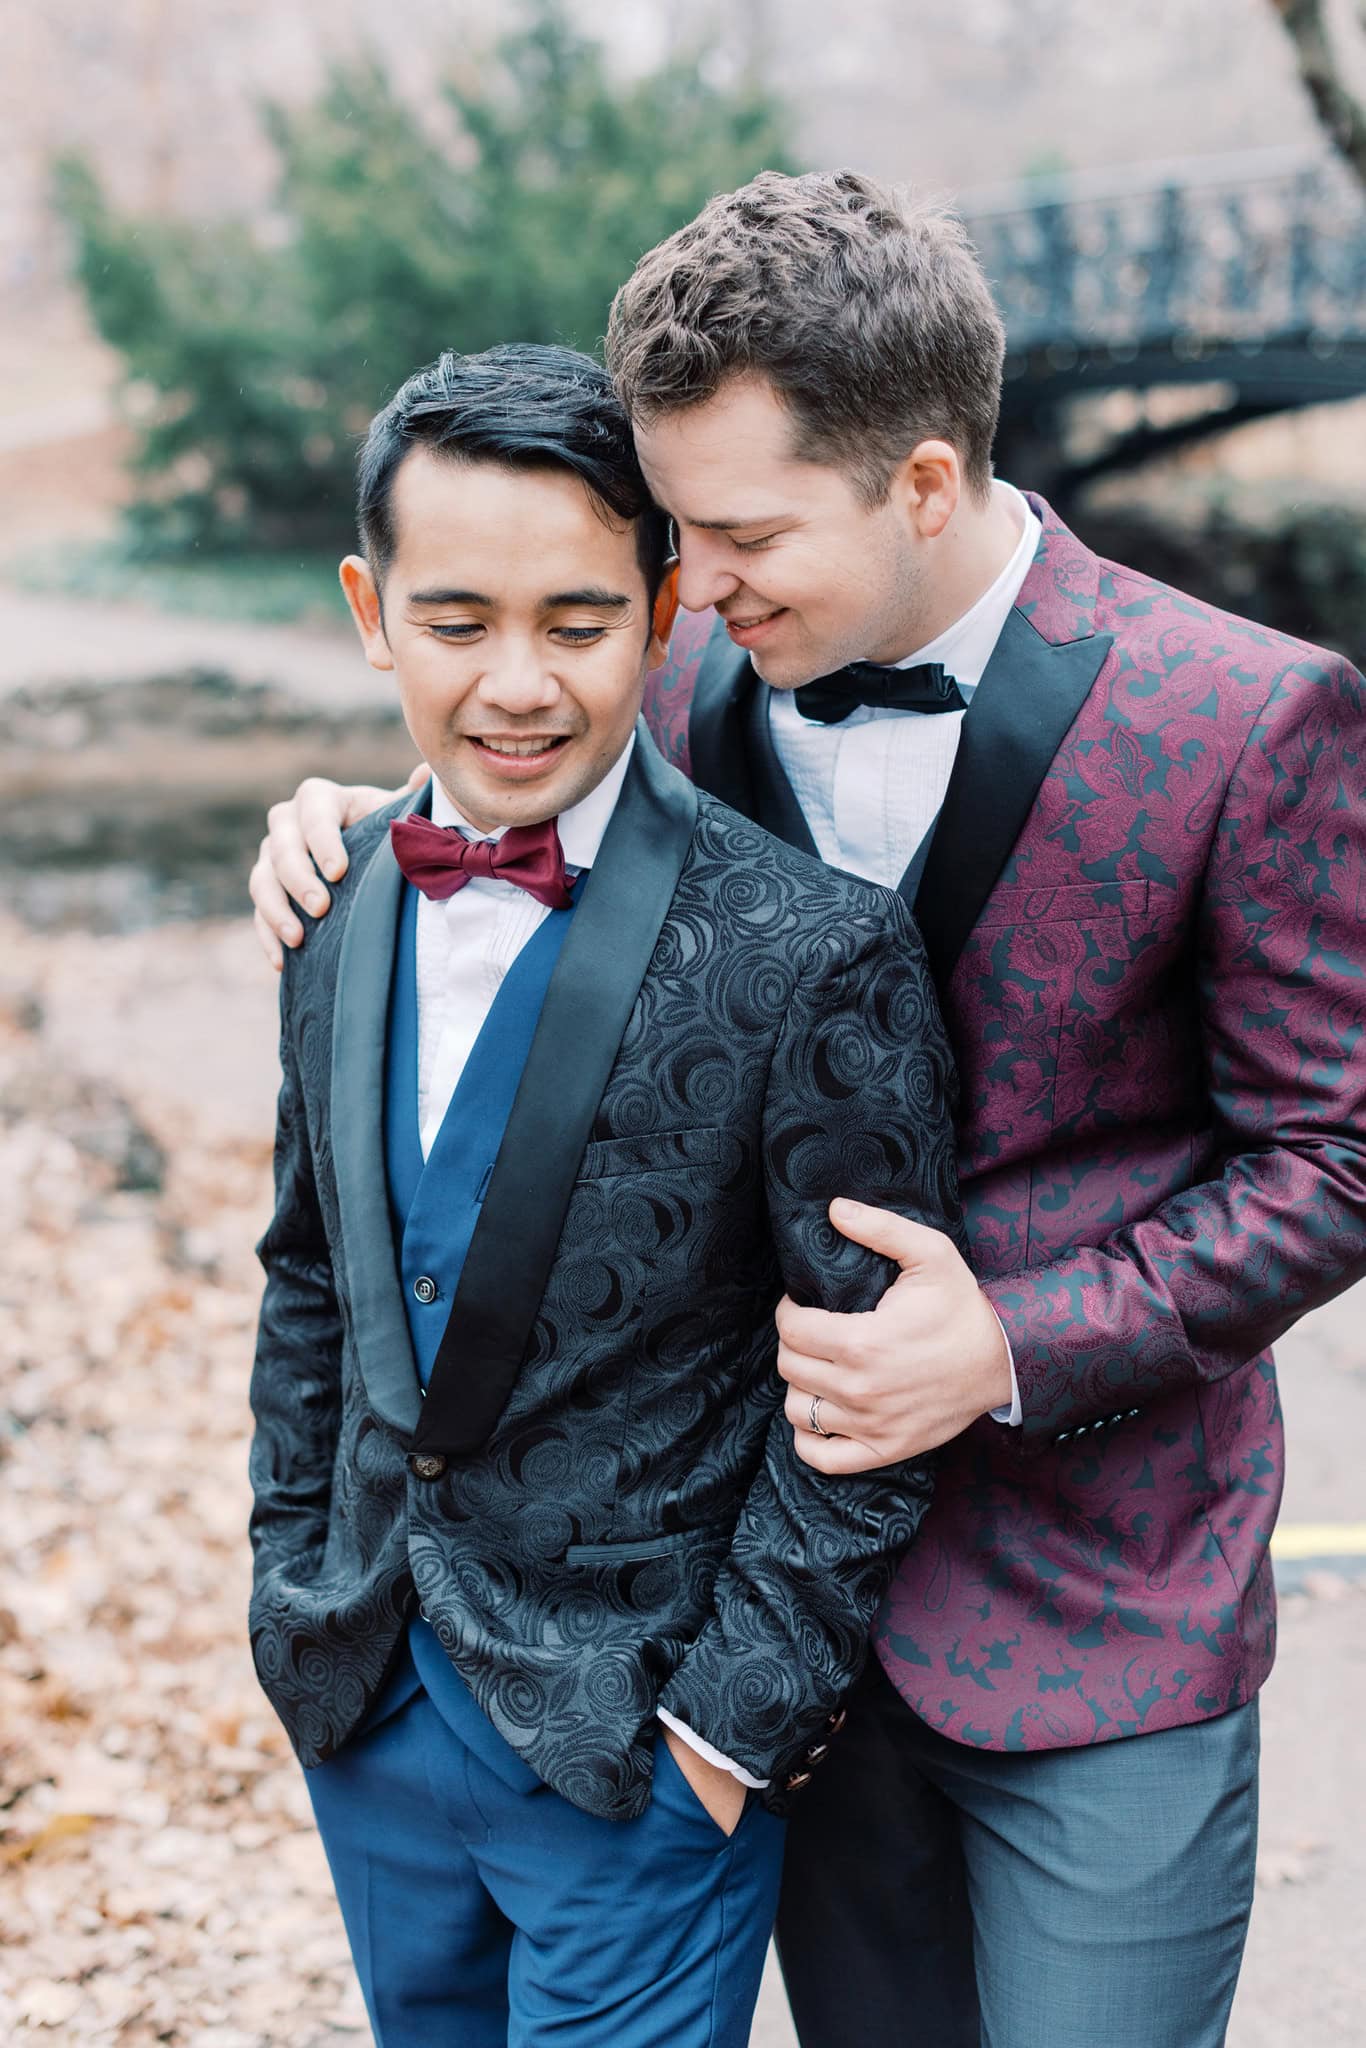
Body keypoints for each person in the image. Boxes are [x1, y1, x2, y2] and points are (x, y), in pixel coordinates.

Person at [249, 174, 1366, 2048]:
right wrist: (348, 825)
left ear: (921, 485)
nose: (699, 581)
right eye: (675, 538)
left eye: (741, 534)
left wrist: (1008, 1341)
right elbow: (520, 728)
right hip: (752, 1616)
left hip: (1093, 1606)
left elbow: (1335, 1153)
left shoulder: (1247, 718)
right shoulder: (687, 663)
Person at [247, 338, 961, 2048]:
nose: (515, 683)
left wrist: (725, 1733)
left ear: (662, 620)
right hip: (368, 1709)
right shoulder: (327, 894)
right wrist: (288, 1588)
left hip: (641, 1753)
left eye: (575, 623)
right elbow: (308, 1277)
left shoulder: (817, 954)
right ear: (369, 607)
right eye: (456, 621)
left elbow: (868, 1396)